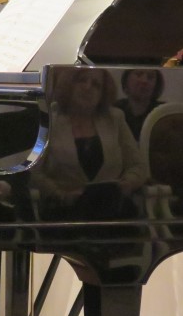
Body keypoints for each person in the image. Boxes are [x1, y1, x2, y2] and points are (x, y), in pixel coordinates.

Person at [32, 67, 148, 219]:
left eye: (96, 85)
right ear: (68, 85)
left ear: (103, 93)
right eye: (82, 80)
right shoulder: (48, 121)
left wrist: (125, 185)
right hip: (63, 210)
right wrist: (60, 194)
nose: (88, 87)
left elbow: (138, 166)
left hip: (113, 210)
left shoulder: (115, 118)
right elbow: (33, 172)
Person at [114, 68, 165, 141]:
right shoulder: (114, 110)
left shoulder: (163, 113)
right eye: (138, 74)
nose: (144, 81)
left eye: (150, 77)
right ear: (126, 80)